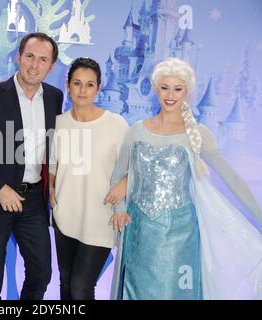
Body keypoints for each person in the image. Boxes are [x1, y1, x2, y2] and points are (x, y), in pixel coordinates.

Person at [107, 57, 262, 300]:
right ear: (155, 89)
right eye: (164, 87)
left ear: (186, 92)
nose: (170, 95)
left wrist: (259, 215)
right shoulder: (136, 129)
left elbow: (232, 179)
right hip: (139, 234)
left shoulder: (197, 134)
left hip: (180, 236)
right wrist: (120, 208)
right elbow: (119, 176)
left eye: (177, 88)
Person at [0, 32, 63, 300]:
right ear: (18, 56)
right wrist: (0, 188)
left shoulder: (55, 98)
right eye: (30, 56)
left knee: (41, 273)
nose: (34, 65)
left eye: (43, 59)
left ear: (51, 66)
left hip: (33, 201)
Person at [48, 57, 129, 300]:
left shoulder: (116, 124)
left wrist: (123, 187)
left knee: (81, 287)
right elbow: (53, 164)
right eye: (77, 83)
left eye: (90, 84)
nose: (82, 91)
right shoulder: (59, 123)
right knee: (65, 282)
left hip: (100, 217)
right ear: (68, 85)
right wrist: (51, 188)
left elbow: (133, 166)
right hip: (65, 216)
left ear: (99, 87)